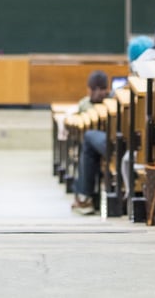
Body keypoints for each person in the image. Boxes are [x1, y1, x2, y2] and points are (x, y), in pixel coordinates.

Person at [70, 69, 110, 216]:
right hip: (114, 144)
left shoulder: (85, 105)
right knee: (88, 149)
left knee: (86, 142)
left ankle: (84, 197)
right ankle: (84, 196)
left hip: (111, 145)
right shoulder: (114, 100)